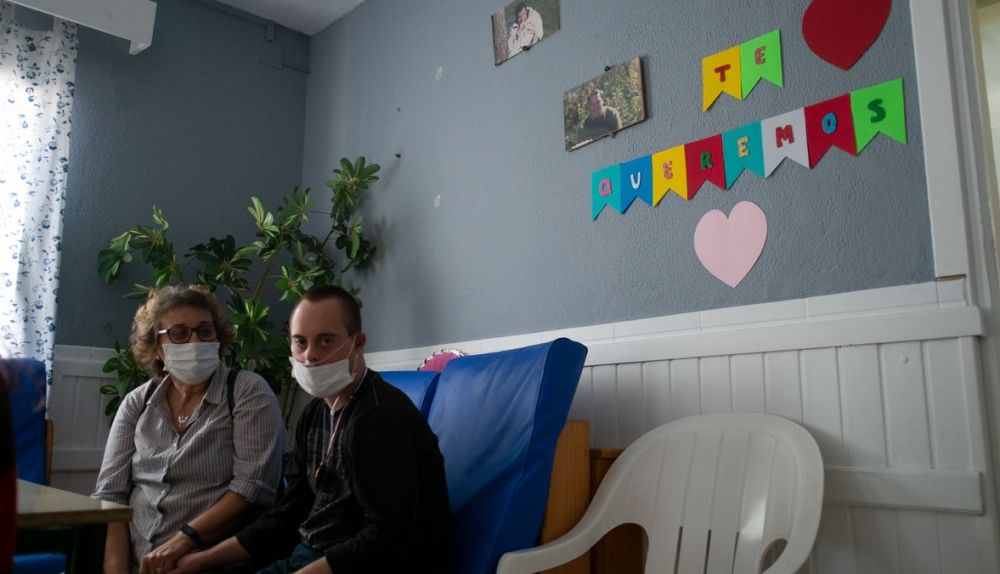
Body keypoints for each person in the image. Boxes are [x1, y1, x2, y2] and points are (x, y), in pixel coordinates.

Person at [170, 285, 450, 574]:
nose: (309, 356)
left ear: (358, 343)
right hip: (308, 556)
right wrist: (201, 559)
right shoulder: (315, 414)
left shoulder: (379, 418)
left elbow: (388, 538)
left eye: (325, 341)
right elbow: (288, 514)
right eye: (300, 342)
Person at [93, 285, 285, 574]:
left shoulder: (247, 391)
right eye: (180, 333)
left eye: (205, 331)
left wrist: (184, 541)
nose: (195, 341)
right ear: (158, 349)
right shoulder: (138, 402)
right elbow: (111, 497)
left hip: (209, 562)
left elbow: (250, 489)